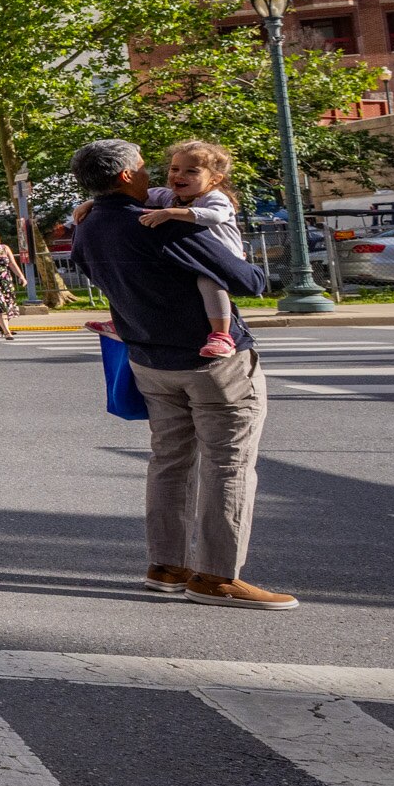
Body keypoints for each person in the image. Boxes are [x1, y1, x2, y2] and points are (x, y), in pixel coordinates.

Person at [66, 137, 292, 610]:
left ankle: (166, 565)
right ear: (126, 176)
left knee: (169, 461)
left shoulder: (86, 227)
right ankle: (216, 576)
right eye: (147, 168)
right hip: (212, 363)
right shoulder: (162, 226)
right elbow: (248, 280)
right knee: (228, 464)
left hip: (148, 361)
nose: (156, 177)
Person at [141, 138, 246, 358]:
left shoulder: (215, 198)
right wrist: (95, 203)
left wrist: (170, 213)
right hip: (193, 256)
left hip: (220, 258)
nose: (179, 176)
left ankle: (221, 335)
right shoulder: (169, 196)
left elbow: (214, 216)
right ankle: (132, 320)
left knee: (208, 281)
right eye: (174, 169)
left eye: (191, 171)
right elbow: (131, 198)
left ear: (214, 179)